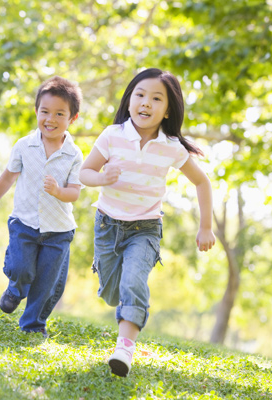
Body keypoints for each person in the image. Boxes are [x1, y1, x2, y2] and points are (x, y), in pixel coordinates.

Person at [79, 68, 215, 376]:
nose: (146, 103)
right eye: (140, 95)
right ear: (129, 100)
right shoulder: (112, 136)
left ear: (168, 110)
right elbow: (84, 173)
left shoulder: (171, 147)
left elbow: (202, 183)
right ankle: (115, 291)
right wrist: (102, 178)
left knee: (133, 282)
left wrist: (205, 226)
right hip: (108, 225)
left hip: (145, 228)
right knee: (112, 293)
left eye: (156, 98)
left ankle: (124, 350)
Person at [0, 76, 83, 338]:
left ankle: (33, 325)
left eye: (60, 113)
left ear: (72, 119)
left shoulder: (74, 155)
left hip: (58, 231)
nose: (51, 119)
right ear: (36, 112)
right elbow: (8, 177)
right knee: (21, 269)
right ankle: (15, 289)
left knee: (46, 284)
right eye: (45, 112)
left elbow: (74, 193)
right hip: (24, 223)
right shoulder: (24, 146)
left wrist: (58, 191)